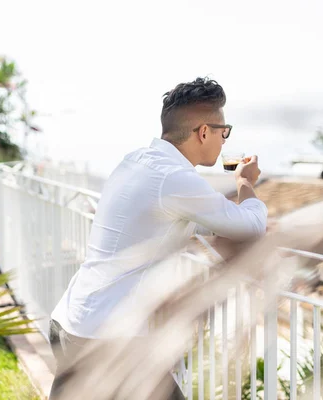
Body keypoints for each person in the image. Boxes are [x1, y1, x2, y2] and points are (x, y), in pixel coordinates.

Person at [48, 77, 268, 399]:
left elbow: (175, 219)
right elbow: (252, 227)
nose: (225, 140)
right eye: (224, 131)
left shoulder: (135, 161)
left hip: (72, 321)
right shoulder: (174, 179)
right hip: (108, 341)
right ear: (204, 132)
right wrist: (245, 184)